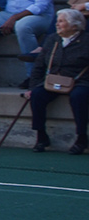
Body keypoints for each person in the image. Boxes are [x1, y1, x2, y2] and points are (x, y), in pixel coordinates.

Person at [24, 9, 89, 154]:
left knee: (79, 96)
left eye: (61, 21)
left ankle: (82, 137)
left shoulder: (86, 41)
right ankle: (41, 136)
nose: (57, 25)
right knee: (37, 95)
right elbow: (39, 66)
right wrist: (32, 87)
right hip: (53, 80)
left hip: (80, 81)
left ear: (74, 25)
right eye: (57, 21)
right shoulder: (53, 39)